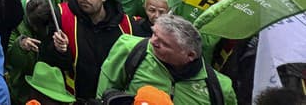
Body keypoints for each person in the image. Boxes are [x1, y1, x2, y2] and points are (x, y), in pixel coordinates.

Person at [41, 0, 137, 102]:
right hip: (74, 98)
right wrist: (61, 50)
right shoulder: (61, 16)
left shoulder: (126, 25)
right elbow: (50, 63)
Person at [97, 14, 236, 104]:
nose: (153, 42)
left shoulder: (220, 87)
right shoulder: (130, 49)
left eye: (164, 43)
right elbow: (103, 95)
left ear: (190, 55)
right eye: (154, 34)